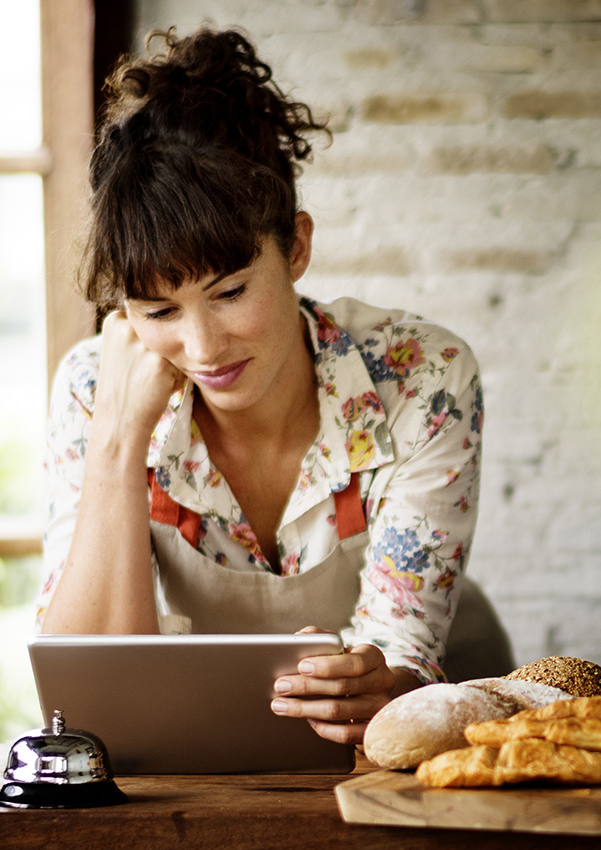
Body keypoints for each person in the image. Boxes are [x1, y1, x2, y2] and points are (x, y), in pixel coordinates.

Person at [35, 26, 508, 745]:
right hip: (212, 738)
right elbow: (88, 702)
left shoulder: (423, 376)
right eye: (158, 310)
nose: (201, 348)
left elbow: (403, 654)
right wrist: (117, 442)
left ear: (298, 247)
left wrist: (384, 684)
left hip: (424, 728)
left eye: (229, 292)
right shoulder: (91, 388)